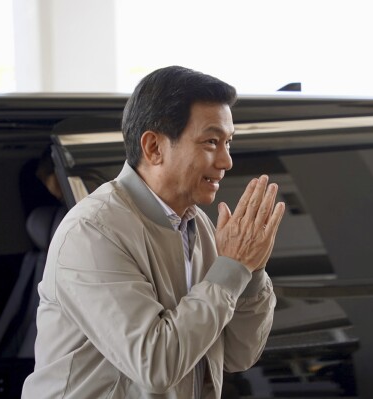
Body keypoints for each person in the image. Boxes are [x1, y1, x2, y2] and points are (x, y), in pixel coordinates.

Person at [21, 66, 285, 398]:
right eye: (212, 142)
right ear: (154, 147)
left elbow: (237, 355)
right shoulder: (92, 231)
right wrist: (232, 268)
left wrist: (251, 269)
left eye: (228, 142)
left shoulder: (199, 226)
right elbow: (155, 364)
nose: (226, 160)